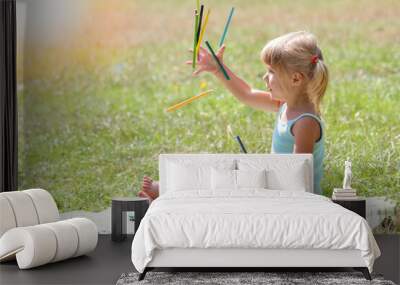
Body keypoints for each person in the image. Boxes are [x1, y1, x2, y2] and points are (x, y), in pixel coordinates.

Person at [138, 31, 329, 201]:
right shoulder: (286, 104)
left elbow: (298, 178)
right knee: (226, 174)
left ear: (296, 78)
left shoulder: (305, 122)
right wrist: (218, 69)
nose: (264, 77)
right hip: (277, 187)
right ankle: (171, 191)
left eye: (271, 71)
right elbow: (247, 94)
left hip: (290, 198)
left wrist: (255, 176)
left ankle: (170, 192)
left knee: (228, 179)